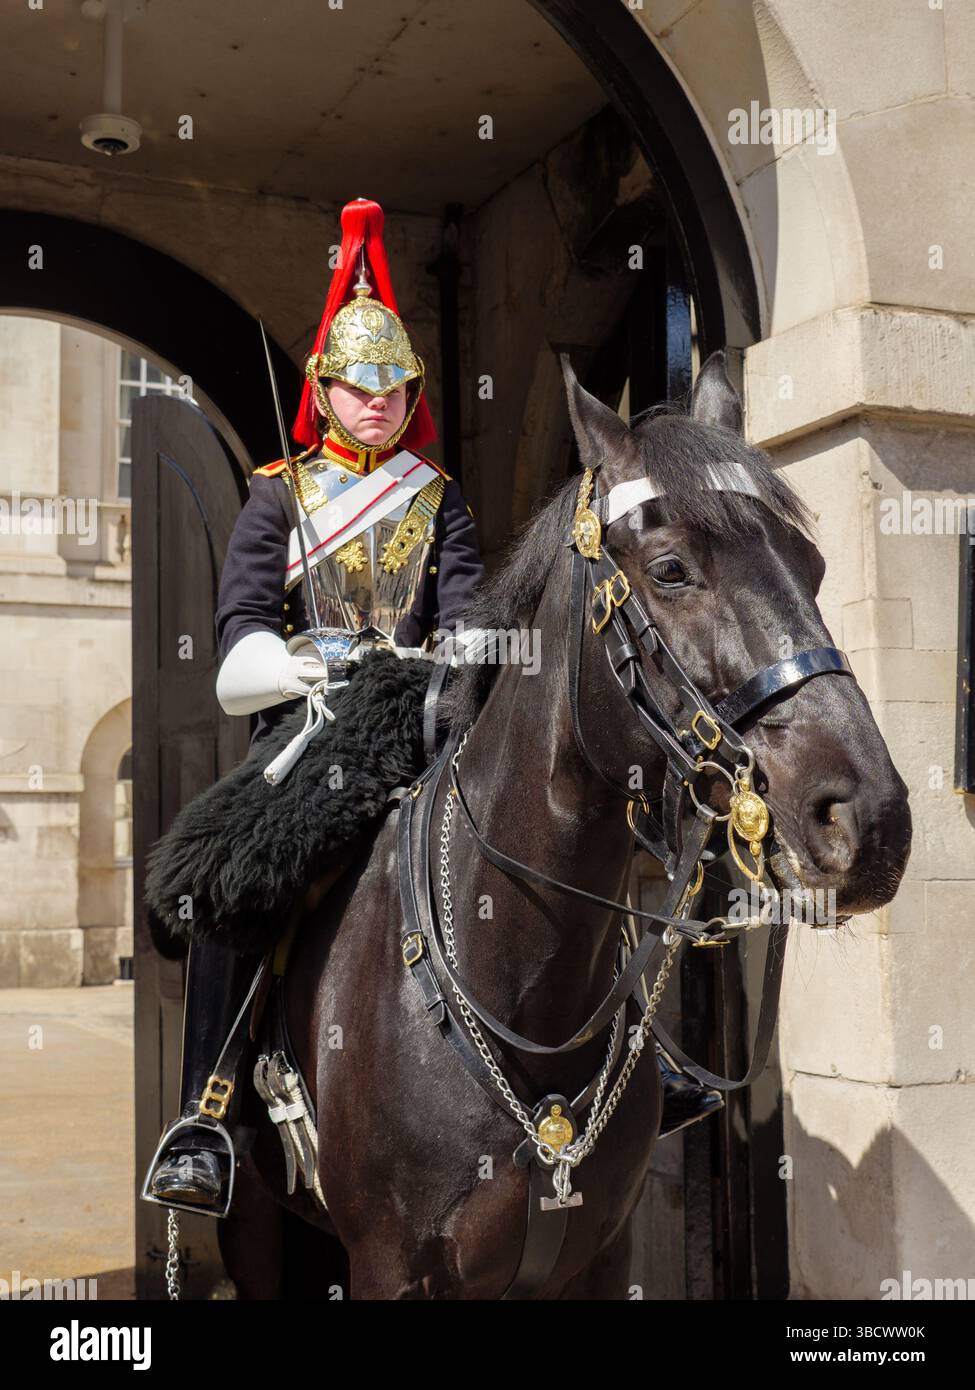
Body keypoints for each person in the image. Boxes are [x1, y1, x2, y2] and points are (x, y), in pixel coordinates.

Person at [143, 198, 485, 1215]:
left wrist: (455, 656)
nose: (377, 399)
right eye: (357, 381)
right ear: (324, 390)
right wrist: (295, 668)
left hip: (422, 721)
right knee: (224, 876)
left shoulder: (440, 497)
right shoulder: (276, 493)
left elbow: (464, 611)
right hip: (312, 728)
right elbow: (241, 627)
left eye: (394, 383)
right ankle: (209, 1115)